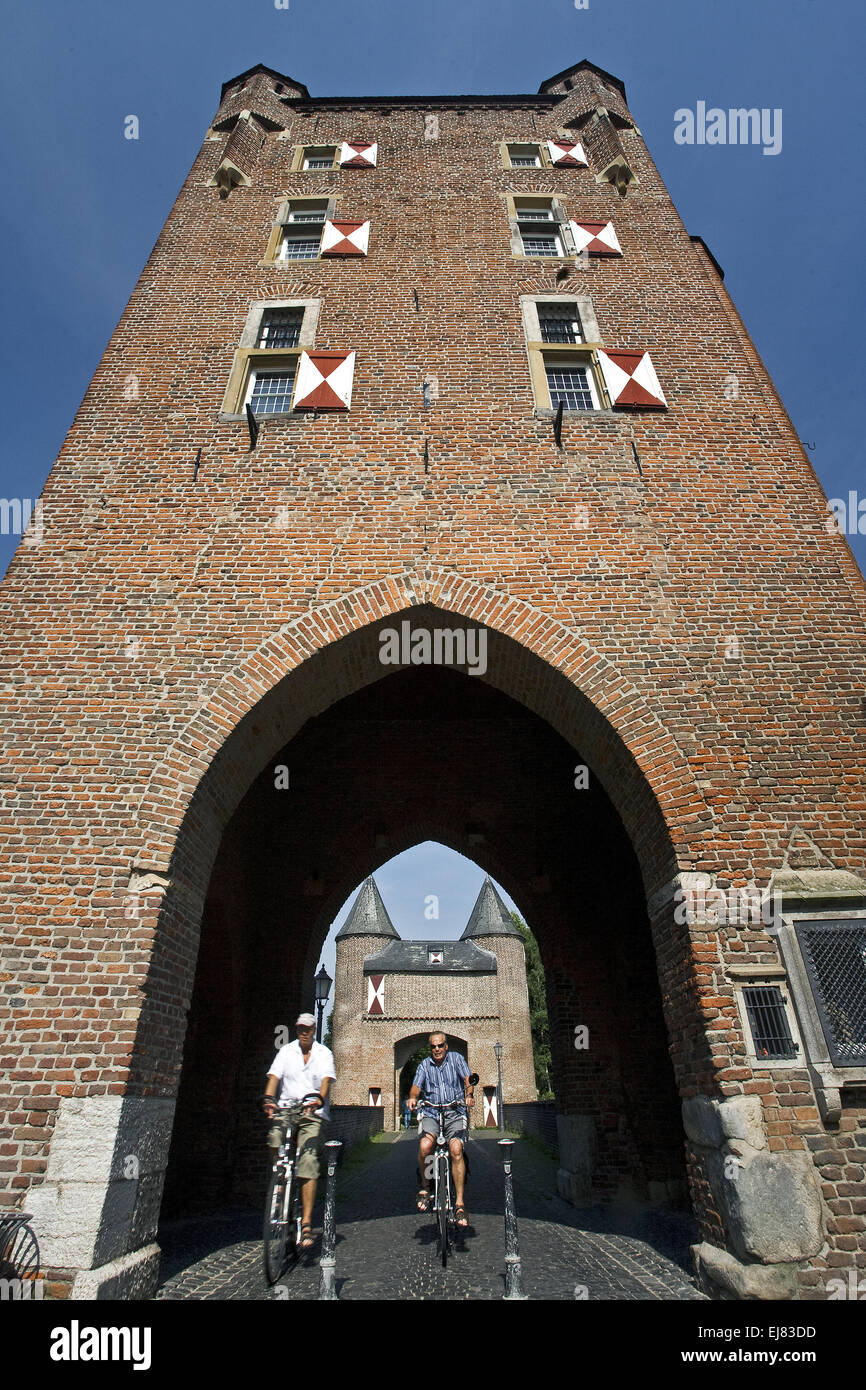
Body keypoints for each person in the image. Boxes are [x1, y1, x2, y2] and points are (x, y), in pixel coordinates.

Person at [262, 1013, 336, 1249]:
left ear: (314, 1029)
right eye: (300, 1028)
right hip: (287, 1109)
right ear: (296, 1029)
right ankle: (279, 1178)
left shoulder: (324, 1053)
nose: (304, 1032)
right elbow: (274, 1076)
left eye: (308, 1028)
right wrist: (268, 1098)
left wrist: (320, 1099)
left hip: (311, 1113)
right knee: (274, 1138)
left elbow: (326, 1080)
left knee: (308, 1160)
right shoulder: (286, 1052)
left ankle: (305, 1223)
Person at [407, 1031, 474, 1227]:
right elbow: (415, 1087)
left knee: (455, 1149)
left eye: (440, 1045)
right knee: (425, 1145)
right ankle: (425, 1187)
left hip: (454, 1112)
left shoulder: (457, 1059)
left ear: (446, 1046)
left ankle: (460, 1203)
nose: (436, 1049)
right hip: (432, 1112)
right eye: (433, 1046)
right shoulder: (424, 1065)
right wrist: (412, 1097)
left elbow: (468, 1079)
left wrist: (469, 1095)